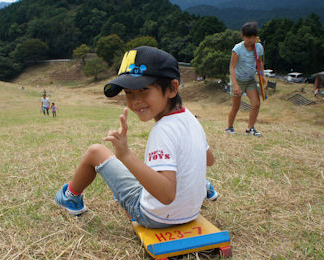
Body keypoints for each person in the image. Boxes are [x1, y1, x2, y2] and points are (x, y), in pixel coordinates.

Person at [54, 46, 217, 228]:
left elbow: (166, 195)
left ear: (172, 88)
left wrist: (125, 155)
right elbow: (209, 160)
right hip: (190, 213)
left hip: (155, 216)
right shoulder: (190, 118)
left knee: (96, 151)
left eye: (143, 90)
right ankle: (204, 187)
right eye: (129, 92)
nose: (135, 100)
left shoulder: (162, 130)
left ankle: (70, 197)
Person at [226, 21, 267, 136]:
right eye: (248, 37)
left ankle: (250, 129)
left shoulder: (258, 48)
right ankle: (229, 127)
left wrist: (262, 76)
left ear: (256, 37)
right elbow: (232, 67)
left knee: (256, 103)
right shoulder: (237, 49)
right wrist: (235, 85)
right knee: (236, 106)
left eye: (253, 37)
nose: (250, 40)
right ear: (243, 36)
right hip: (238, 80)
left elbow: (259, 63)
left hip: (250, 80)